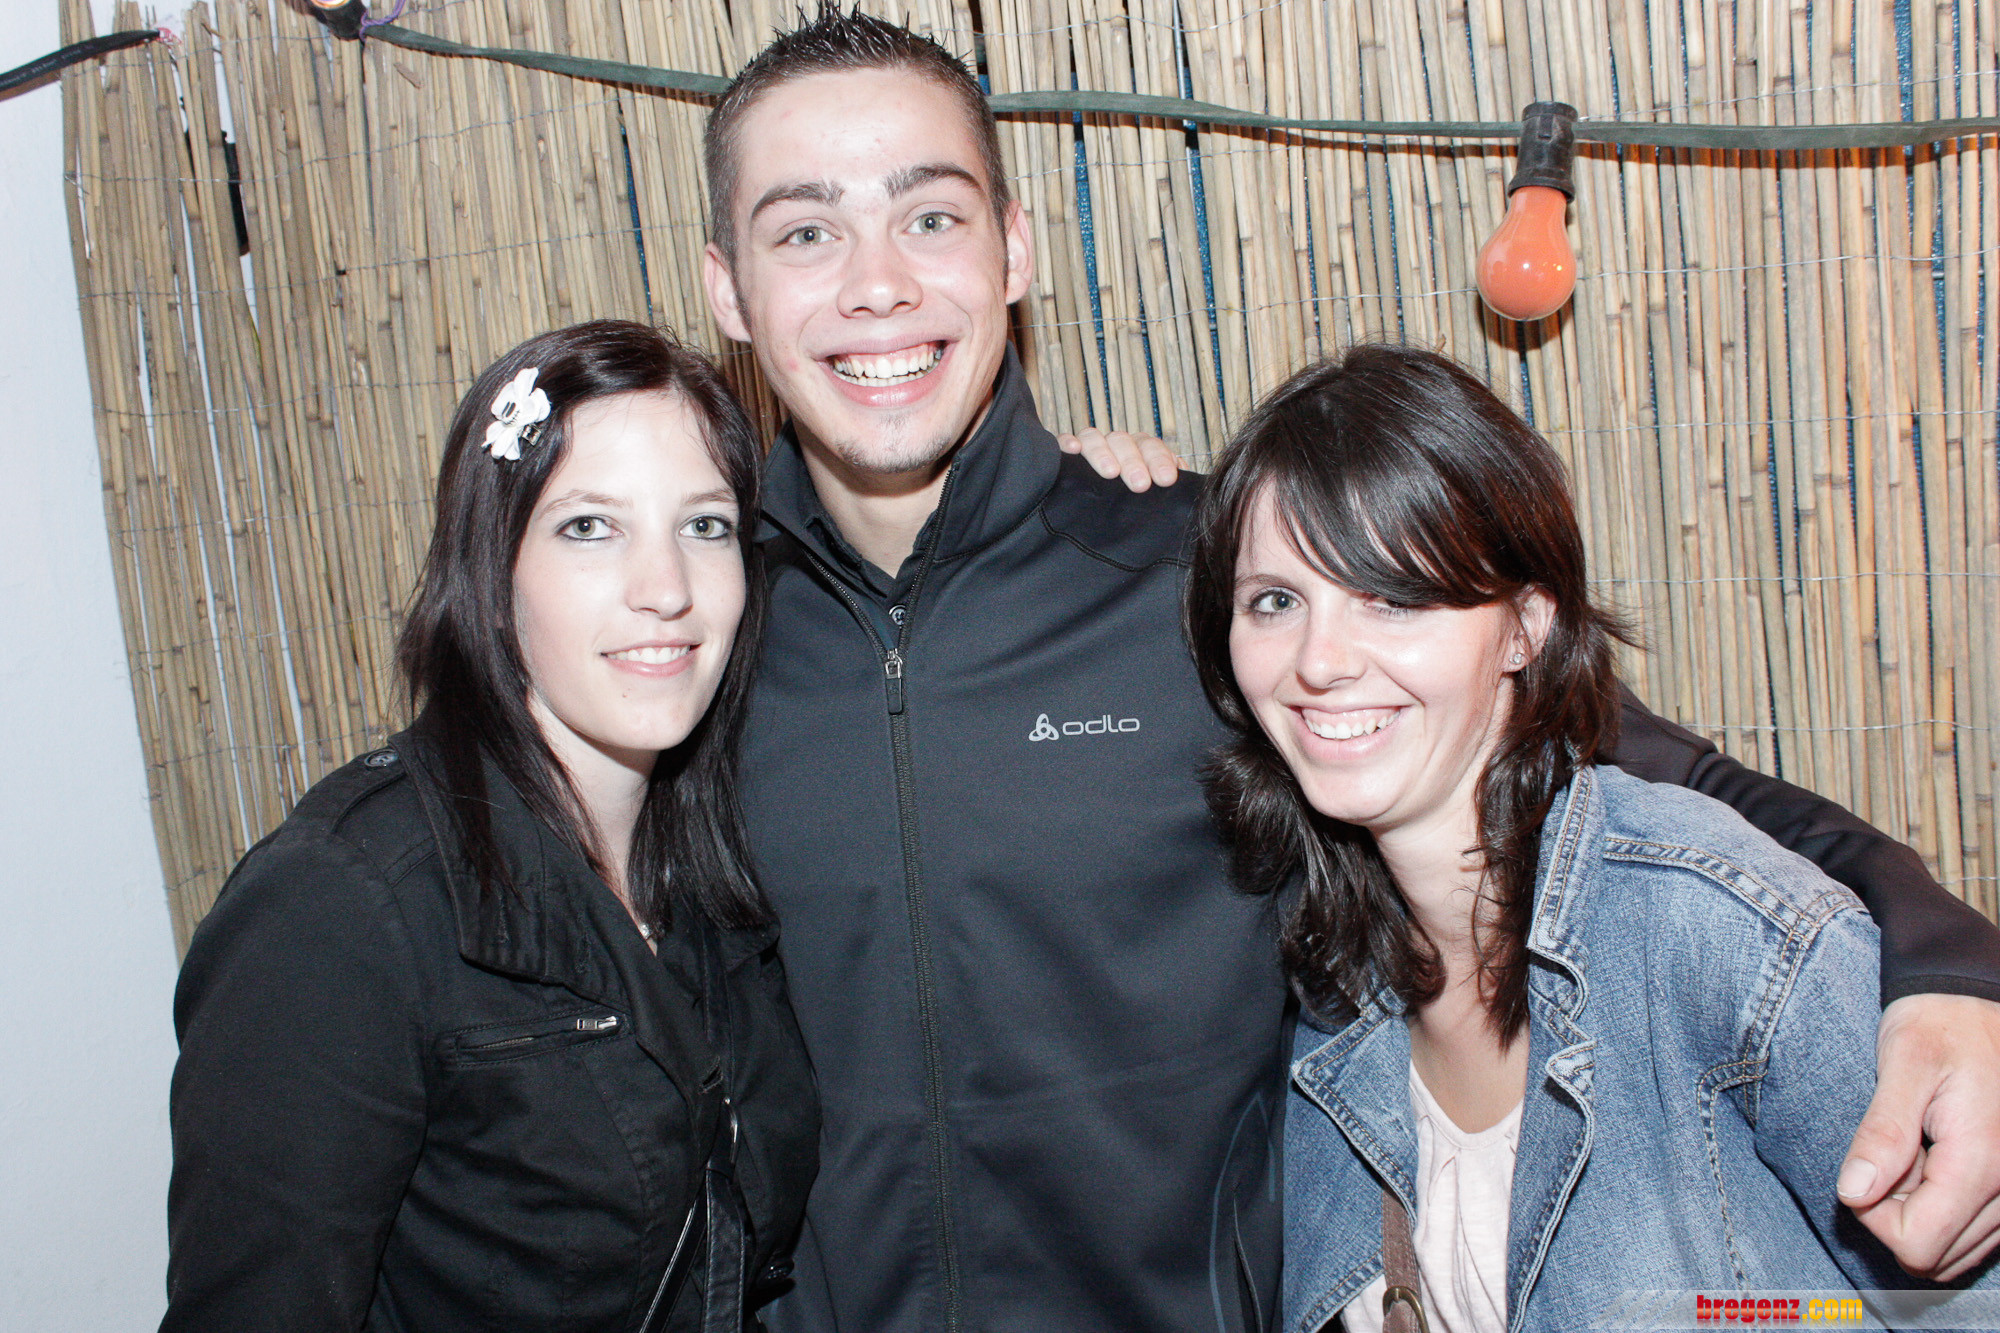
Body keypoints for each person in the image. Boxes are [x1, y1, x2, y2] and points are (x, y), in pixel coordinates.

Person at [694, 8, 2000, 1330]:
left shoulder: (1211, 581)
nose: (877, 284)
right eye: (804, 232)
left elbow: (1665, 789)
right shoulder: (695, 639)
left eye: (929, 217)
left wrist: (1954, 970)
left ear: (1014, 248)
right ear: (728, 291)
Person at [1183, 343, 1999, 1330]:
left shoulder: (1710, 934)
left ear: (1525, 625)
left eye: (1390, 595)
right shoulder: (1320, 993)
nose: (1319, 660)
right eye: (1275, 600)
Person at [161, 321, 818, 1332]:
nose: (667, 589)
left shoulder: (711, 868)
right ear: (492, 570)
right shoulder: (340, 907)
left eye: (704, 524)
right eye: (589, 526)